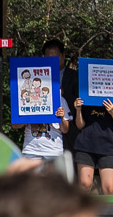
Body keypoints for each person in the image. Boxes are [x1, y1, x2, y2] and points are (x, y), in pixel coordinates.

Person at [19, 39, 75, 181]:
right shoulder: (33, 82)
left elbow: (67, 126)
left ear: (63, 56)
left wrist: (62, 114)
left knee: (56, 186)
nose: (52, 60)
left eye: (55, 56)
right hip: (32, 147)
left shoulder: (74, 77)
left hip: (58, 143)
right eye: (48, 56)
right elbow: (16, 123)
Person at [70, 90, 113, 195]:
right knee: (84, 185)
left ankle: (111, 211)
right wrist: (78, 110)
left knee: (110, 189)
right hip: (85, 145)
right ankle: (84, 211)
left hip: (109, 146)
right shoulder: (85, 95)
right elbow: (79, 125)